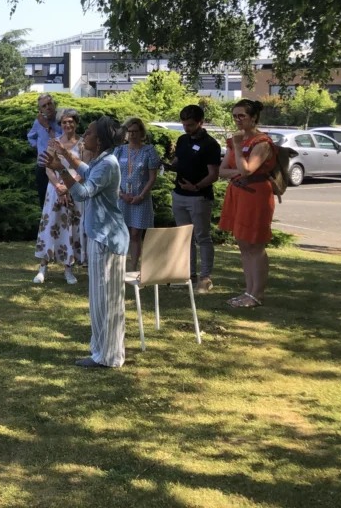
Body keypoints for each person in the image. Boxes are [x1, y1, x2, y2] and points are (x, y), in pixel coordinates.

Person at [47, 117, 130, 368]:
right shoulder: (102, 161)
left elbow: (82, 193)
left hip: (106, 238)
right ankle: (106, 353)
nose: (85, 136)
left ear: (101, 139)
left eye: (90, 133)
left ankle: (107, 357)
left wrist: (60, 168)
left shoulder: (107, 163)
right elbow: (86, 171)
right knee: (104, 299)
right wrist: (65, 156)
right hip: (104, 236)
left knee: (105, 300)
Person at [218, 99, 276, 308]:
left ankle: (256, 294)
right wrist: (237, 171)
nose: (237, 119)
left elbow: (248, 169)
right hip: (238, 193)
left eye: (241, 115)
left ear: (253, 117)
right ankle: (248, 291)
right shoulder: (235, 140)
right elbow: (222, 170)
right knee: (243, 244)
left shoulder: (261, 142)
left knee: (255, 245)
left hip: (256, 195)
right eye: (235, 115)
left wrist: (236, 146)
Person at [163, 105, 222, 294]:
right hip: (179, 194)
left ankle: (205, 278)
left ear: (201, 122)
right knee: (184, 237)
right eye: (184, 124)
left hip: (199, 197)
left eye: (190, 125)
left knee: (202, 237)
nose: (186, 128)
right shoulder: (182, 140)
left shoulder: (210, 144)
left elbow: (214, 174)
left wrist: (196, 186)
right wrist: (167, 166)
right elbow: (177, 162)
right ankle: (188, 274)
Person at [33, 108, 89, 285]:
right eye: (64, 122)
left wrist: (68, 186)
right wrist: (58, 186)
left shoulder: (82, 144)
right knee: (51, 225)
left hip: (74, 189)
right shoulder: (54, 143)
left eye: (71, 121)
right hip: (55, 189)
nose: (68, 125)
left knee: (72, 227)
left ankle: (68, 269)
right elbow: (48, 167)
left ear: (76, 123)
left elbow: (84, 168)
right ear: (60, 124)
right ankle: (43, 267)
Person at [114, 118, 160, 270]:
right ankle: (118, 267)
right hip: (122, 197)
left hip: (141, 198)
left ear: (141, 133)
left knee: (135, 234)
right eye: (129, 131)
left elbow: (153, 177)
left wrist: (141, 196)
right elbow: (112, 175)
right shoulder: (119, 150)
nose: (132, 134)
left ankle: (133, 267)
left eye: (135, 131)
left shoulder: (149, 151)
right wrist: (120, 193)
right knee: (121, 233)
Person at [27, 95, 63, 206]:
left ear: (54, 104)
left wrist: (47, 127)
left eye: (49, 104)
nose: (48, 107)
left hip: (60, 167)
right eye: (44, 106)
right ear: (41, 110)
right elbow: (30, 136)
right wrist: (39, 148)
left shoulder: (62, 121)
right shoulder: (38, 123)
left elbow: (62, 142)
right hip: (43, 167)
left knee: (61, 202)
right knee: (45, 203)